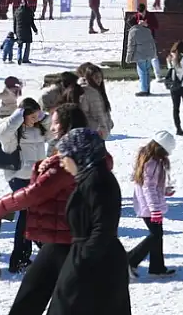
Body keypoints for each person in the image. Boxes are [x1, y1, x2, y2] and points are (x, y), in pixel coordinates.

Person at [0, 104, 86, 315]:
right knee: (42, 297)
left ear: (66, 125)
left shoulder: (68, 159)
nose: (51, 127)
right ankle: (20, 257)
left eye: (55, 123)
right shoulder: (88, 151)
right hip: (66, 236)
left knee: (35, 298)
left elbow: (37, 192)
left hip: (62, 237)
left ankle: (19, 257)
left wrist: (4, 205)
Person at [47, 128, 132, 315]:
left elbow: (103, 228)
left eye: (64, 156)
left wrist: (82, 262)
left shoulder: (97, 180)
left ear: (78, 153)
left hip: (97, 264)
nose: (61, 162)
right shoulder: (89, 178)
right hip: (91, 259)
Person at [0, 98, 50, 273]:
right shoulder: (13, 133)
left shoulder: (39, 128)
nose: (34, 119)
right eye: (31, 116)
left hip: (36, 177)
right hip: (18, 177)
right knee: (27, 214)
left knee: (32, 214)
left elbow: (54, 131)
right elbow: (2, 134)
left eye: (37, 115)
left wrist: (43, 117)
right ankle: (20, 258)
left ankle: (31, 253)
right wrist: (18, 115)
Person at [127, 131, 177, 277]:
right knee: (155, 235)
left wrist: (164, 190)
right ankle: (130, 260)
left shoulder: (150, 159)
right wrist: (155, 210)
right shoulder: (151, 163)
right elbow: (148, 188)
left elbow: (153, 186)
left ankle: (157, 267)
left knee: (157, 235)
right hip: (149, 207)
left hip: (151, 204)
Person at [76, 63, 115, 138]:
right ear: (88, 77)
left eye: (100, 77)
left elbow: (103, 111)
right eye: (96, 77)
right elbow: (83, 114)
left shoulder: (98, 91)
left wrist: (109, 123)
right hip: (91, 134)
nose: (99, 80)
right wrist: (97, 127)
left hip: (100, 133)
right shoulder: (85, 92)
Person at [126, 17, 158, 97]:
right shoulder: (147, 30)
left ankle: (144, 90)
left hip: (140, 55)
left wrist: (128, 58)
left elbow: (131, 46)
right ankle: (147, 89)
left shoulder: (133, 32)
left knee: (142, 72)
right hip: (149, 54)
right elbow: (152, 43)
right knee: (147, 72)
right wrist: (154, 54)